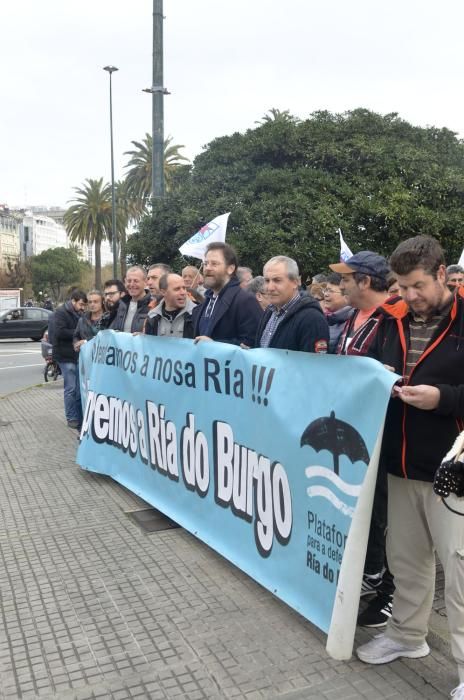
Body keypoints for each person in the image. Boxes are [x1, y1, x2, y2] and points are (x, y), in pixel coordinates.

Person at [355, 235, 464, 700]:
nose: (409, 296)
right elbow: (365, 372)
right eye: (401, 286)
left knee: (459, 570)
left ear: (442, 274)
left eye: (418, 285)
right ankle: (406, 635)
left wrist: (445, 400)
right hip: (399, 465)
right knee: (406, 560)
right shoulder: (388, 319)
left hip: (452, 471)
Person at [330, 250, 394, 627]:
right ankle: (368, 574)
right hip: (355, 434)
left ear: (366, 281)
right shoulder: (353, 316)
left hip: (386, 436)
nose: (340, 285)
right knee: (362, 510)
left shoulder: (392, 319)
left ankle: (388, 591)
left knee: (387, 515)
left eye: (346, 279)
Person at [192, 242, 262, 346]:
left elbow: (252, 343)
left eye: (214, 264)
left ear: (230, 269)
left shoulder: (245, 301)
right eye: (206, 264)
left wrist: (215, 345)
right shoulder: (205, 302)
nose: (207, 268)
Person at [256, 256, 329, 352]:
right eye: (267, 281)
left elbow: (314, 364)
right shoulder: (269, 312)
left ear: (295, 282)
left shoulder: (312, 319)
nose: (270, 287)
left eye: (277, 280)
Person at [52, 289, 87, 430]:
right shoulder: (60, 313)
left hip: (76, 355)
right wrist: (79, 333)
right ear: (73, 301)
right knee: (71, 388)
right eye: (81, 304)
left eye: (84, 305)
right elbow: (59, 332)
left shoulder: (80, 313)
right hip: (65, 355)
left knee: (78, 388)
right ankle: (71, 417)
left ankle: (78, 416)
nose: (83, 307)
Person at [145, 273, 195, 338]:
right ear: (163, 292)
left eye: (184, 288)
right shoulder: (152, 317)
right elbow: (149, 345)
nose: (183, 292)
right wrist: (142, 338)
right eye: (177, 289)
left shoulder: (196, 314)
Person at [111, 266, 151, 333]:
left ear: (145, 282)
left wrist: (144, 336)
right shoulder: (121, 304)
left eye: (136, 281)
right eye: (129, 281)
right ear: (125, 282)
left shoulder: (153, 305)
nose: (132, 284)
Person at [323, 273, 352, 353]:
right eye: (326, 290)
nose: (326, 294)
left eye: (331, 291)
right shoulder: (322, 317)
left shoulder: (351, 320)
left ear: (345, 294)